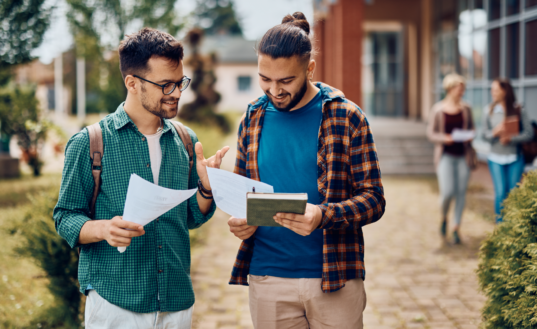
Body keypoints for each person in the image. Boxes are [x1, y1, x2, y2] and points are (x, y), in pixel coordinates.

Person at [53, 28, 229, 328]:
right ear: (132, 83)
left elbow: (190, 218)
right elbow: (65, 216)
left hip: (176, 303)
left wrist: (206, 189)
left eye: (179, 83)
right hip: (115, 304)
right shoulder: (90, 143)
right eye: (165, 85)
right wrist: (104, 229)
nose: (176, 93)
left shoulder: (186, 141)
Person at [226, 12, 386, 329]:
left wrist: (322, 216)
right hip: (268, 275)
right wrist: (239, 220)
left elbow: (374, 200)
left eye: (286, 80)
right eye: (265, 79)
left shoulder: (347, 116)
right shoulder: (253, 117)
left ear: (309, 68)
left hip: (335, 275)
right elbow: (242, 194)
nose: (274, 90)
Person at [427, 73, 475, 244]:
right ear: (450, 88)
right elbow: (431, 133)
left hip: (464, 156)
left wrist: (469, 136)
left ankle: (456, 228)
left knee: (461, 193)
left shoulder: (466, 108)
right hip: (445, 156)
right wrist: (445, 138)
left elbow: (472, 129)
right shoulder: (438, 109)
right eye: (458, 88)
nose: (461, 91)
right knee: (447, 192)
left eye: (463, 88)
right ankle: (444, 217)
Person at [481, 78, 533, 223]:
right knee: (500, 193)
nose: (493, 93)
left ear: (505, 91)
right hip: (495, 158)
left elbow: (529, 134)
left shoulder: (519, 110)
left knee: (513, 194)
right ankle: (500, 228)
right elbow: (484, 135)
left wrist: (511, 138)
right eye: (492, 90)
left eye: (496, 90)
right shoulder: (489, 111)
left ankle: (512, 226)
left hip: (515, 158)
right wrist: (495, 132)